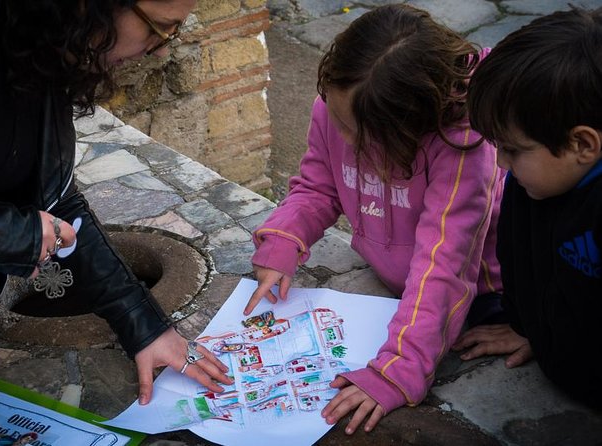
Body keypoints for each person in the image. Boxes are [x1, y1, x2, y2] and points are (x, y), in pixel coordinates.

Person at [0, 0, 232, 405]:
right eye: (158, 29)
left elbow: (55, 197)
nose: (162, 49)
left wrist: (142, 324)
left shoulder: (47, 46)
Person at [244, 4, 505, 434]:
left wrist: (398, 371)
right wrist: (283, 239)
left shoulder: (463, 148)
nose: (342, 137)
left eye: (357, 134)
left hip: (478, 298)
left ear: (408, 128)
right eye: (337, 119)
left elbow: (444, 266)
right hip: (393, 293)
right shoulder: (338, 105)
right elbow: (317, 186)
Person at [452, 7, 602, 407]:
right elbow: (516, 259)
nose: (501, 163)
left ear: (583, 145)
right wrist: (525, 326)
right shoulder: (530, 181)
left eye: (513, 149)